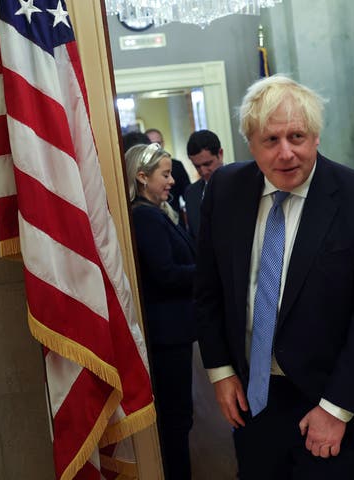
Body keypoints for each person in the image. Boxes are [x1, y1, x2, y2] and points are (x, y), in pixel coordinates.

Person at [195, 75, 354, 479]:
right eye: (271, 140)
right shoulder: (225, 189)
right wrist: (220, 372)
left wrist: (335, 408)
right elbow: (208, 289)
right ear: (250, 144)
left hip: (328, 400)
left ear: (316, 137)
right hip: (253, 399)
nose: (286, 153)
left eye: (297, 137)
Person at [124, 143, 197, 479]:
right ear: (142, 177)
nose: (171, 181)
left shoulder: (156, 213)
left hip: (174, 331)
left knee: (180, 414)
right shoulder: (145, 216)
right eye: (164, 174)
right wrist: (210, 271)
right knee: (175, 416)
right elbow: (166, 275)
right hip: (167, 333)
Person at [185, 129, 224, 238]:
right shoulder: (191, 193)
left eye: (207, 164)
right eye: (197, 166)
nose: (203, 171)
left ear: (220, 154)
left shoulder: (241, 183)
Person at [145, 128, 191, 222]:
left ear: (163, 143)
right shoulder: (144, 171)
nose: (156, 148)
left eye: (158, 143)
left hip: (177, 219)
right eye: (151, 145)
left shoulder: (177, 166)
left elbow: (189, 196)